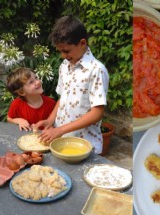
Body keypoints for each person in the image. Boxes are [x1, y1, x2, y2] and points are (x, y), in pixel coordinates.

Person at [35, 15, 109, 154]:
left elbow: (97, 113)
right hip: (61, 141)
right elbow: (63, 97)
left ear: (82, 43)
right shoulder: (64, 66)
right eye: (60, 51)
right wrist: (50, 121)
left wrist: (60, 129)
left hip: (85, 145)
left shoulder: (96, 70)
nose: (63, 55)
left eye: (66, 50)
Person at [6, 67, 56, 131]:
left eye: (36, 78)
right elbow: (9, 119)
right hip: (26, 138)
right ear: (21, 92)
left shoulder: (50, 103)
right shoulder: (16, 104)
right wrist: (18, 120)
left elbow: (54, 122)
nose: (38, 82)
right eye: (31, 82)